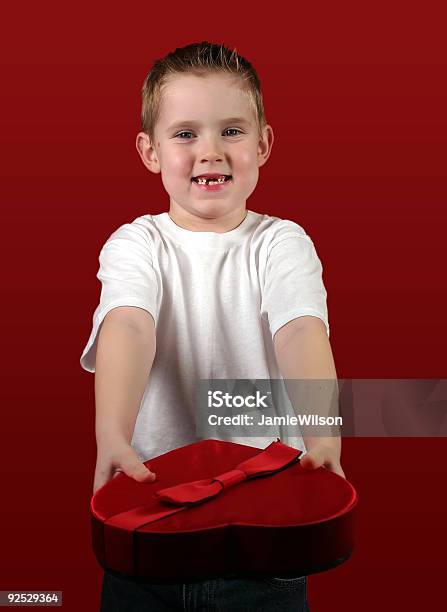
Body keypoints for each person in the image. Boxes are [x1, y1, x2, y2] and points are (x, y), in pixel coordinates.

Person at [80, 40, 345, 612]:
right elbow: (128, 326)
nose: (210, 152)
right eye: (185, 134)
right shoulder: (137, 244)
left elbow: (301, 331)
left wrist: (323, 434)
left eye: (231, 131)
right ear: (150, 151)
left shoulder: (282, 243)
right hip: (151, 528)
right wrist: (112, 433)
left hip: (264, 541)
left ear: (264, 143)